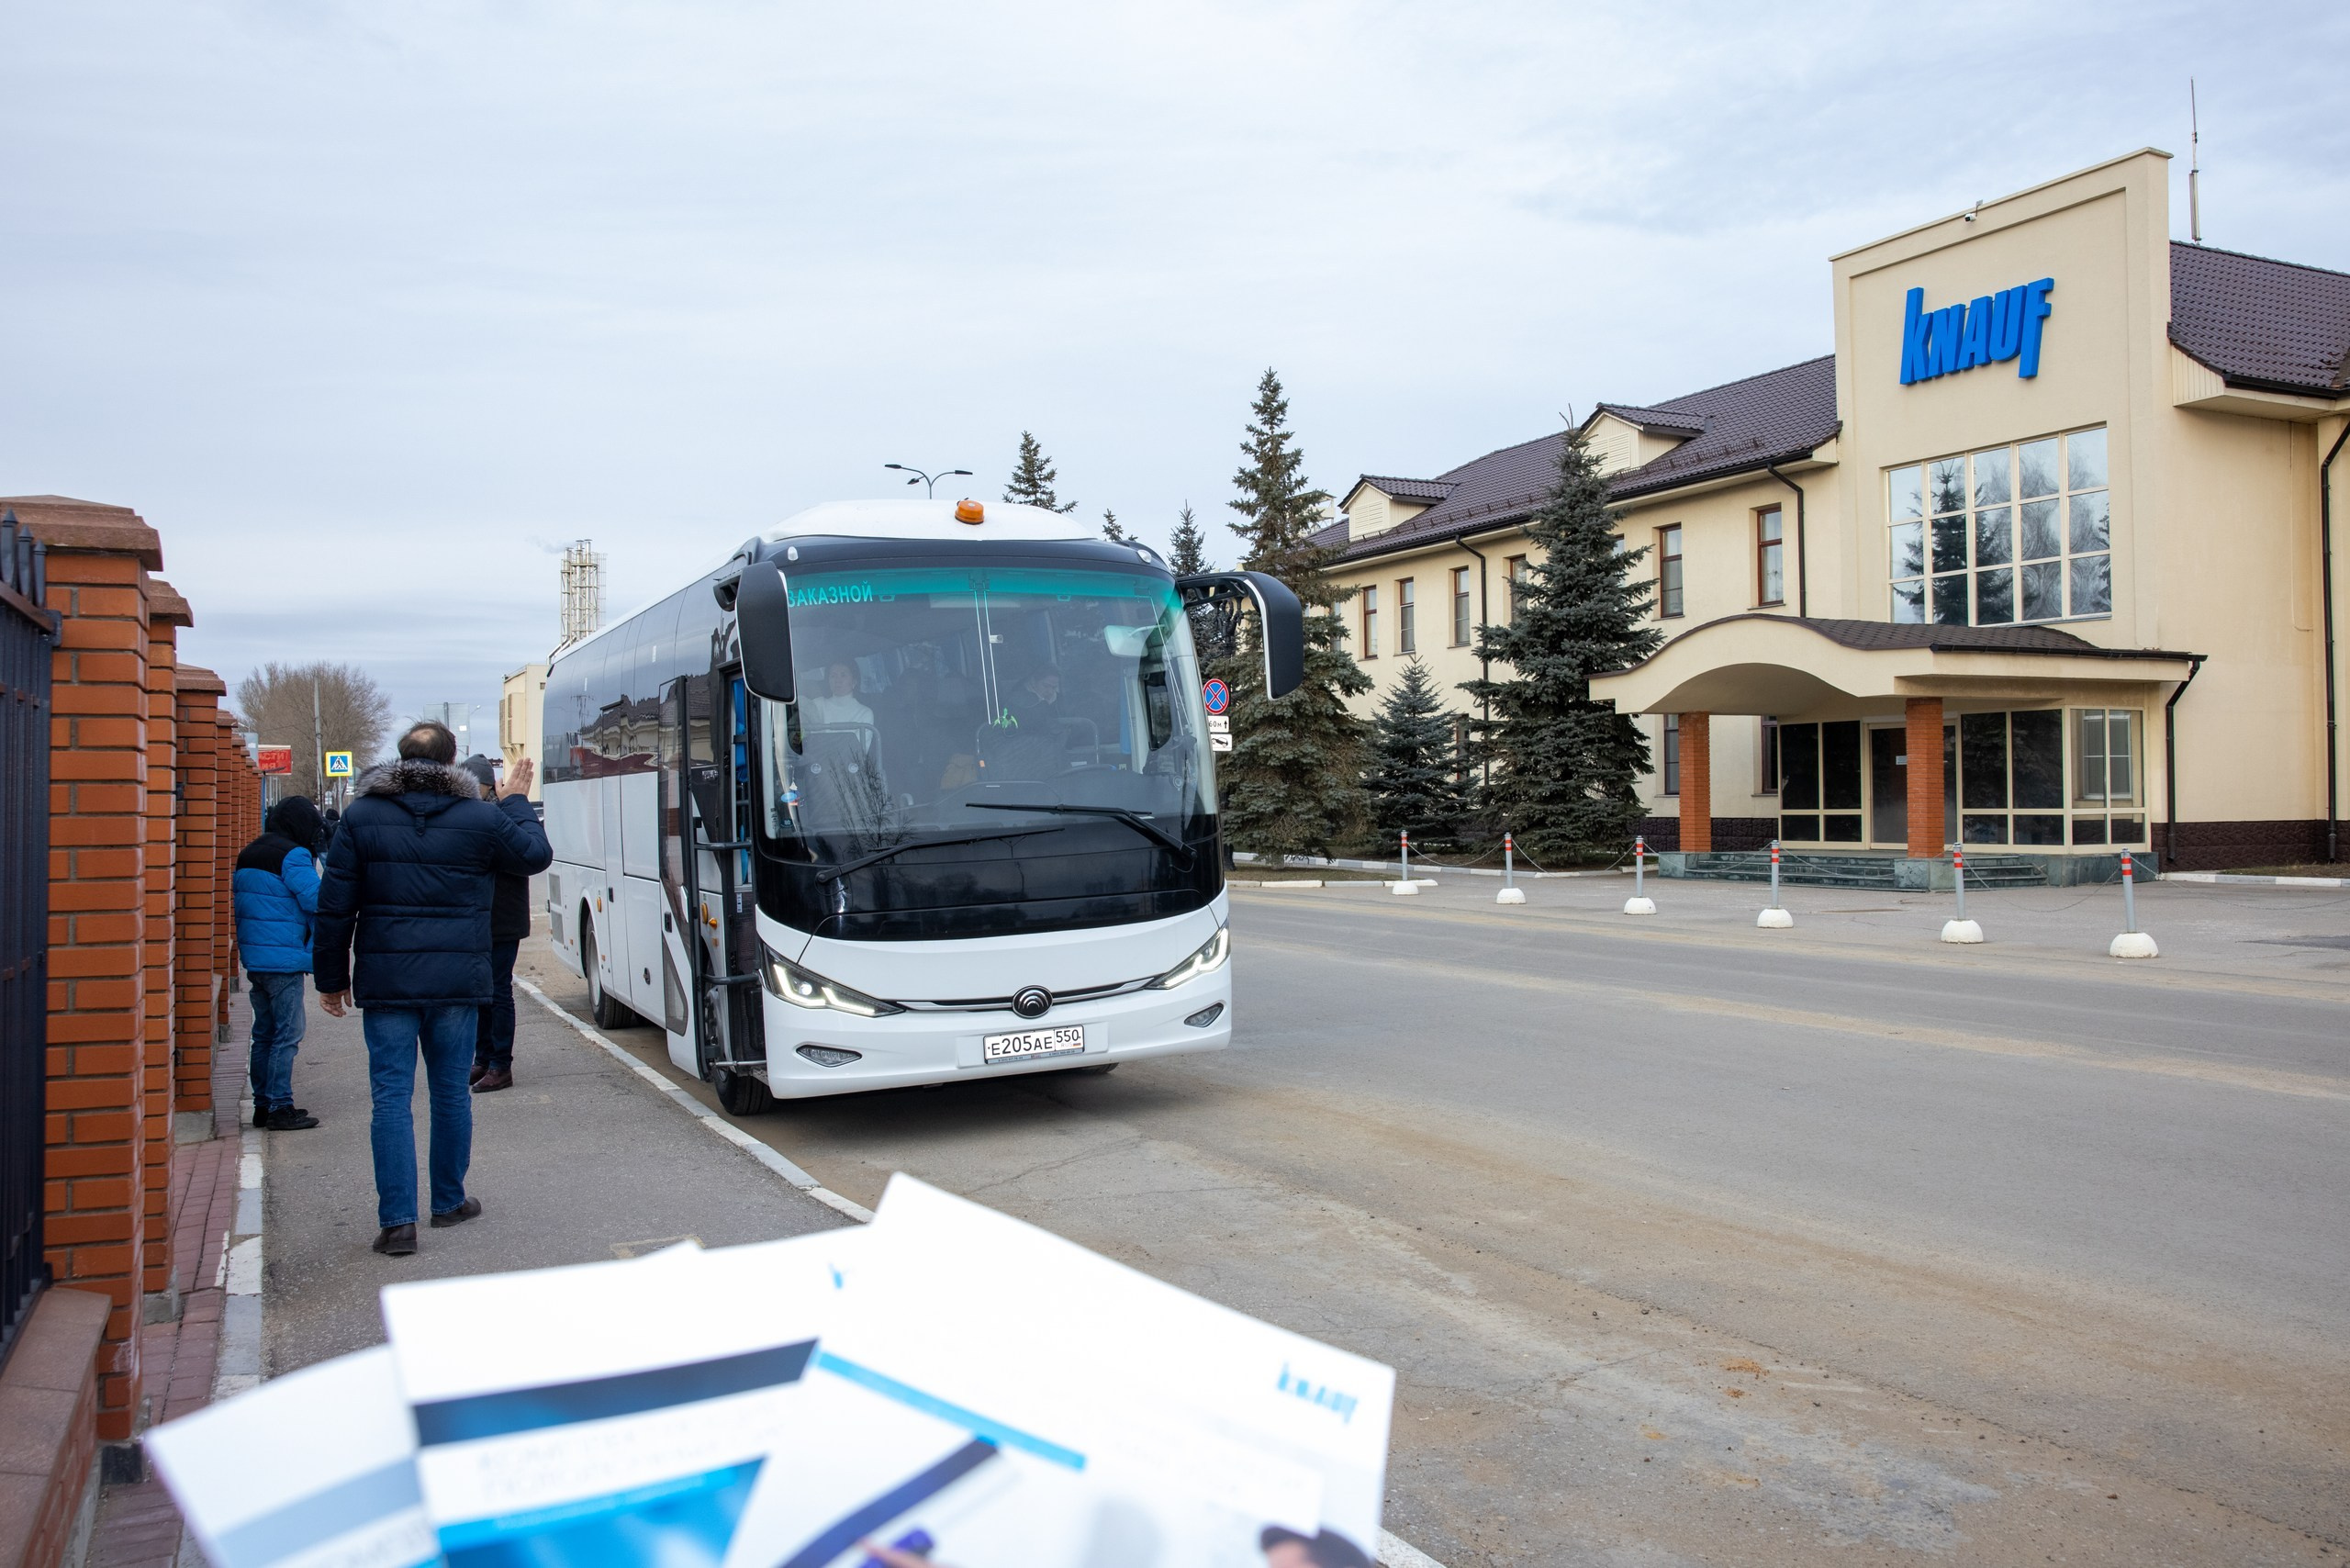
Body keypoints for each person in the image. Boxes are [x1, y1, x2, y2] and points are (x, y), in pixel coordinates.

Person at [314, 722, 551, 1259]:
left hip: (387, 981)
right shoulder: (480, 816)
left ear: (400, 758)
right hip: (455, 981)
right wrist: (515, 801)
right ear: (451, 761)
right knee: (448, 1092)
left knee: (390, 1098)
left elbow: (335, 904)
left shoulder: (361, 816)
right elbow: (534, 855)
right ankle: (448, 1201)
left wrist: (330, 979)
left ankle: (397, 1224)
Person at [231, 795, 326, 1131]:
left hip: (256, 959)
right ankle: (280, 1107)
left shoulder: (248, 852)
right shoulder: (293, 855)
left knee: (264, 1034)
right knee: (287, 1034)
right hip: (283, 959)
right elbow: (317, 899)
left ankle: (262, 1105)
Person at [457, 756, 528, 1094]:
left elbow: (528, 854)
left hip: (502, 917)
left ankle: (501, 1064)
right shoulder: (476, 815)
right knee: (481, 992)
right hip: (478, 917)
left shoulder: (501, 817)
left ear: (486, 785)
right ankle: (483, 1058)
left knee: (498, 991)